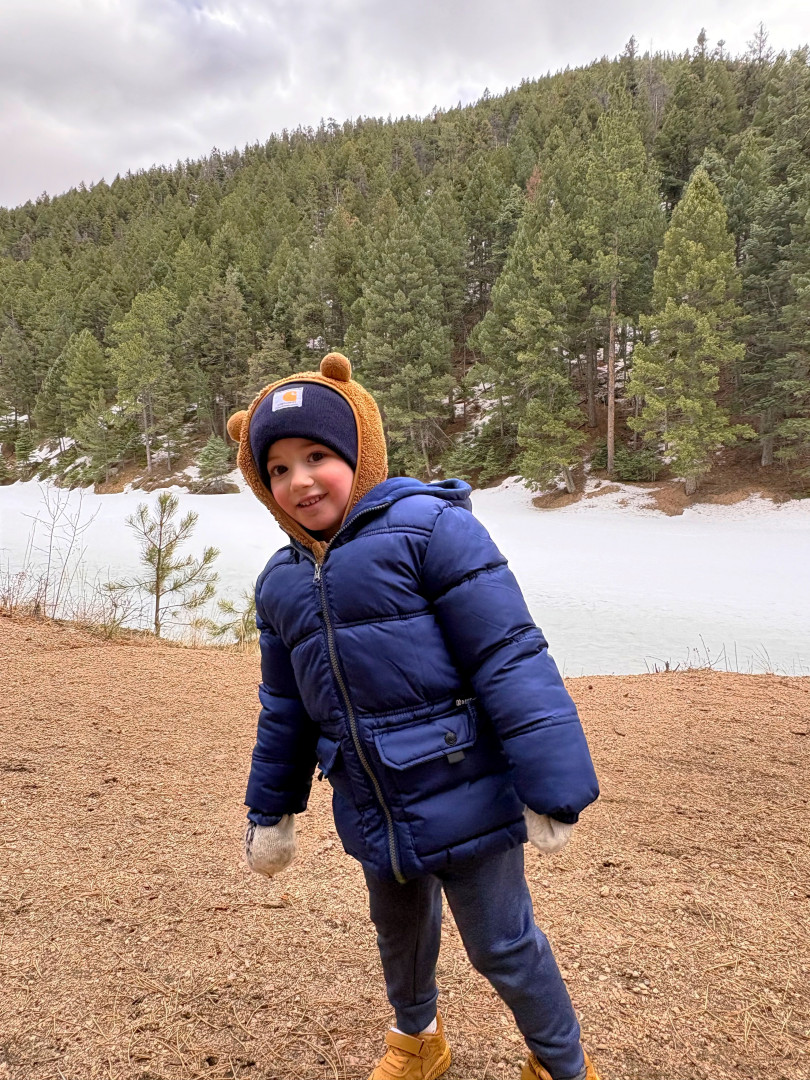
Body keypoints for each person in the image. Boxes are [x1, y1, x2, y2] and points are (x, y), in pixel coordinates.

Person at [227, 353, 601, 1080]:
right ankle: (418, 1040)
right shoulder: (279, 584)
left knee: (503, 945)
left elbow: (508, 656)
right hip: (371, 801)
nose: (299, 480)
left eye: (316, 456)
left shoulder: (431, 530)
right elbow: (285, 711)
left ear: (360, 452)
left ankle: (562, 1065)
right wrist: (270, 812)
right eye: (277, 469)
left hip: (467, 788)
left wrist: (552, 784)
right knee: (399, 937)